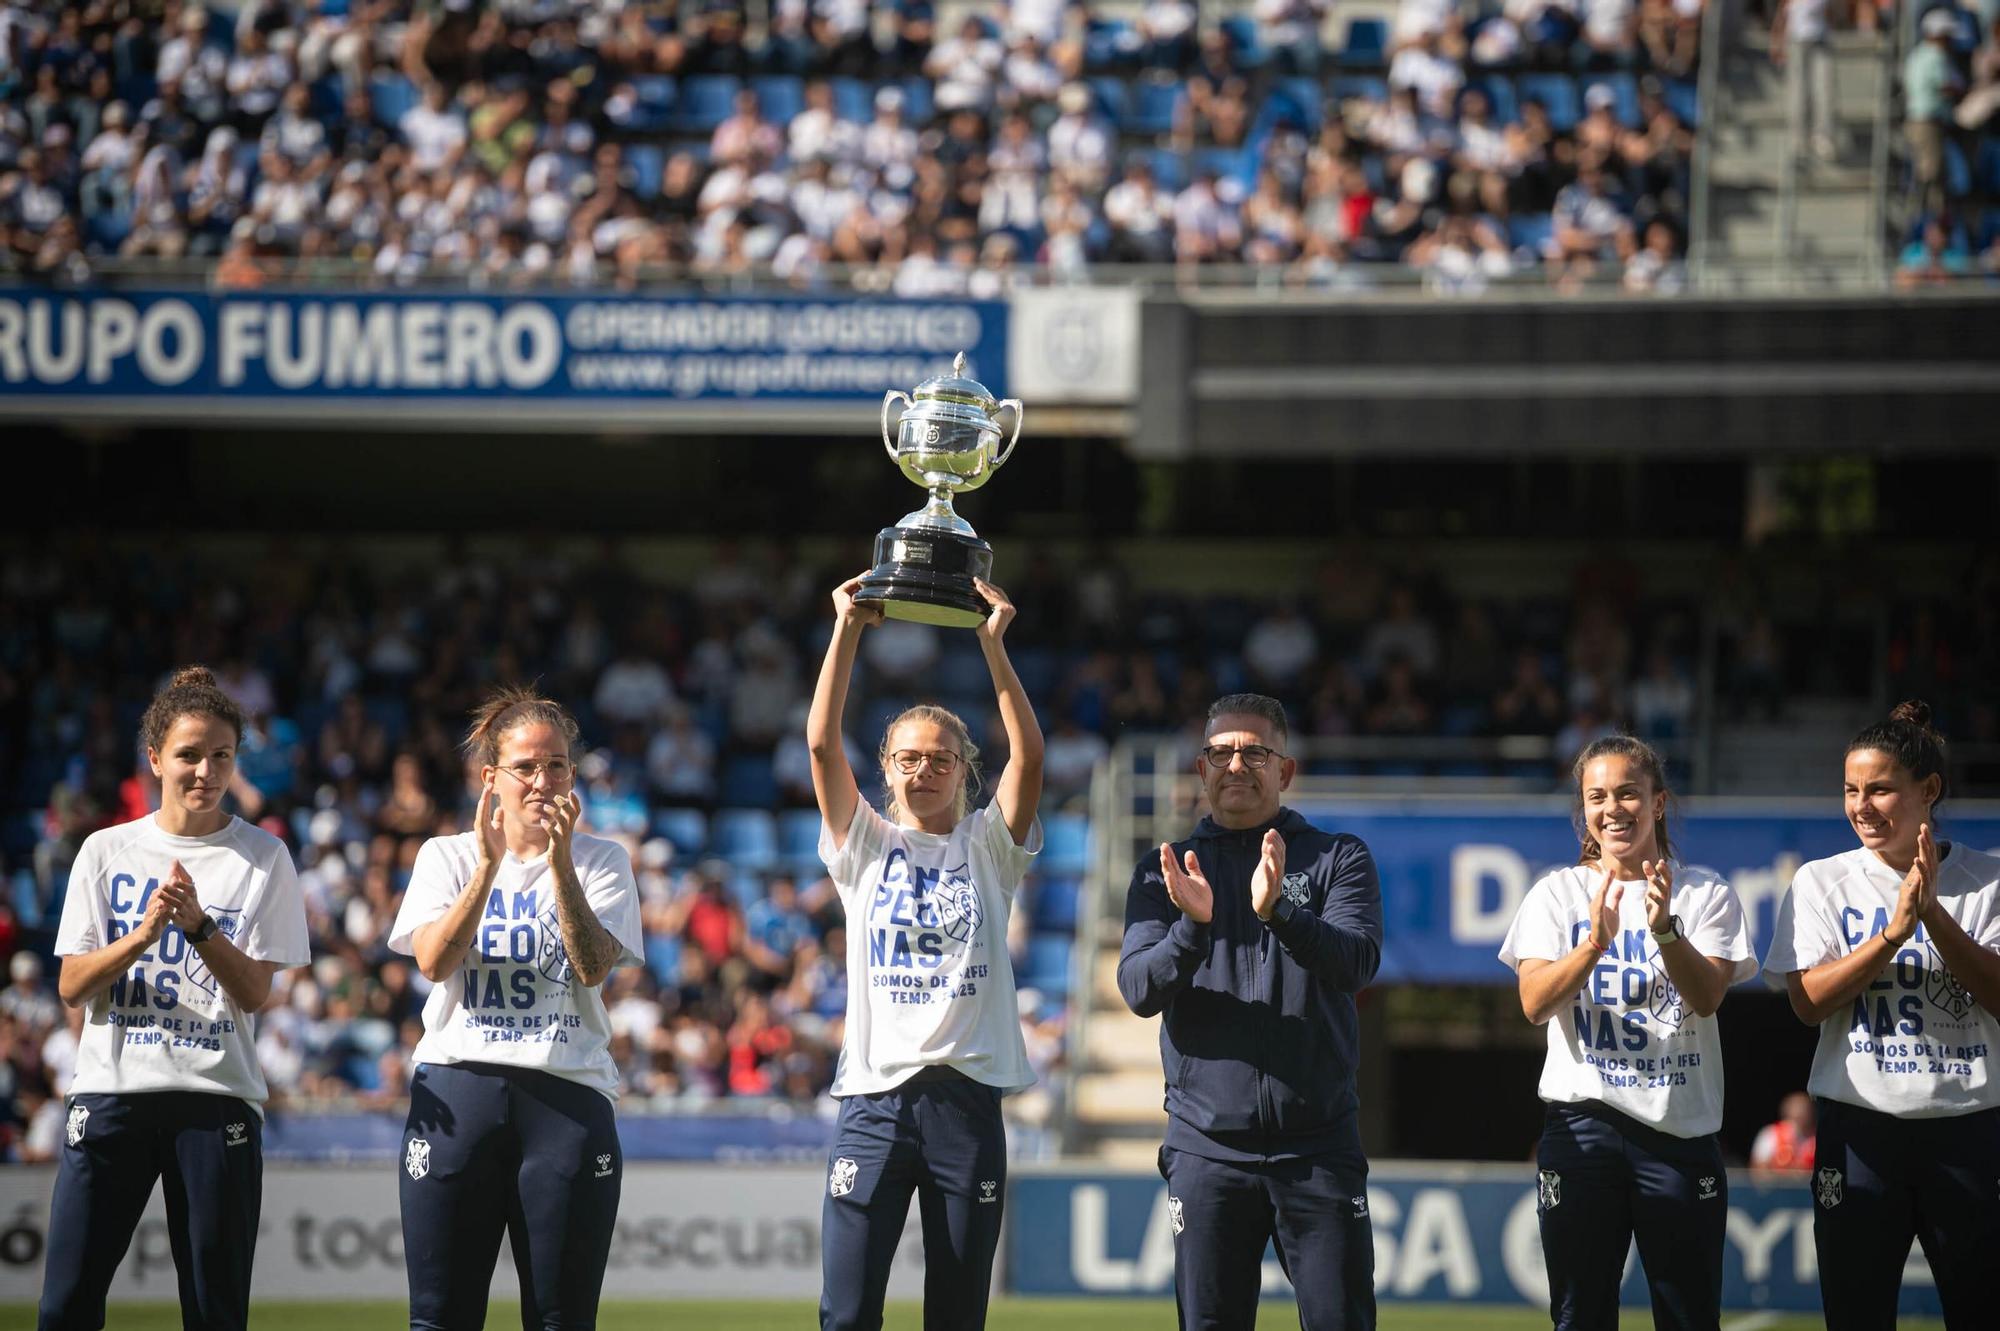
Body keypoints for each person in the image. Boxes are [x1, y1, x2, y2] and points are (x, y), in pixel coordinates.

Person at [40, 666, 311, 1331]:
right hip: (113, 1093)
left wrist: (197, 925)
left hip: (215, 1098)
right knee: (64, 1306)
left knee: (215, 1315)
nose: (205, 770)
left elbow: (253, 991)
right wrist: (143, 935)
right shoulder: (107, 849)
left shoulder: (264, 856)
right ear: (155, 756)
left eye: (221, 755)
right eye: (189, 753)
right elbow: (72, 983)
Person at [807, 573, 1044, 1331]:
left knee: (956, 1316)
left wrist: (992, 645)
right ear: (885, 767)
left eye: (942, 758)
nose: (924, 769)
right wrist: (847, 628)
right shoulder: (862, 843)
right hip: (874, 1102)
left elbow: (1030, 757)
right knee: (846, 1315)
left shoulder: (988, 848)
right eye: (908, 757)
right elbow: (818, 741)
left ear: (963, 768)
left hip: (965, 1104)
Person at [1118, 692, 1383, 1330]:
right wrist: (1191, 928)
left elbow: (1356, 966)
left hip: (1318, 1147)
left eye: (1255, 751)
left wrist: (1280, 914)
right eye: (1221, 752)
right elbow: (1137, 990)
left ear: (1284, 771)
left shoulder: (1337, 857)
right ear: (1201, 769)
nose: (1237, 764)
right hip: (1206, 1151)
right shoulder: (1164, 872)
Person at [389, 687, 644, 1331]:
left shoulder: (603, 861)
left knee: (562, 1320)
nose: (542, 780)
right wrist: (487, 866)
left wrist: (559, 864)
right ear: (490, 778)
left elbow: (591, 967)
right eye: (525, 766)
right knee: (439, 1318)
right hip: (459, 1088)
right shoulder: (443, 856)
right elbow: (433, 962)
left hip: (566, 1100)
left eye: (557, 764)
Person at [1500, 735, 1755, 1331]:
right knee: (1579, 1315)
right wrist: (1593, 943)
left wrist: (1665, 930)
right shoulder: (1556, 893)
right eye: (1597, 796)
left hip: (1680, 1130)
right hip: (1582, 1129)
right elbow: (1535, 1003)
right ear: (1584, 810)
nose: (1612, 808)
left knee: (1689, 1316)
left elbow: (1706, 997)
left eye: (1627, 793)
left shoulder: (1707, 892)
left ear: (1658, 802)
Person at [1762, 701, 2000, 1331]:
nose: (1861, 805)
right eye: (1851, 790)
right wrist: (1892, 933)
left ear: (1929, 791)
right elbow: (1808, 1002)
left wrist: (1933, 914)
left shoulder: (1989, 879)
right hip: (1860, 1134)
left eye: (1881, 789)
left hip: (1971, 1131)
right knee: (1855, 1318)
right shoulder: (1820, 881)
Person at [1750, 1091, 1818, 1172]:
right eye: (1796, 1112)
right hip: (1777, 1183)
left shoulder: (1819, 1138)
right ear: (1786, 1114)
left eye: (1805, 1111)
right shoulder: (1770, 1134)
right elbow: (1757, 1168)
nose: (1800, 1116)